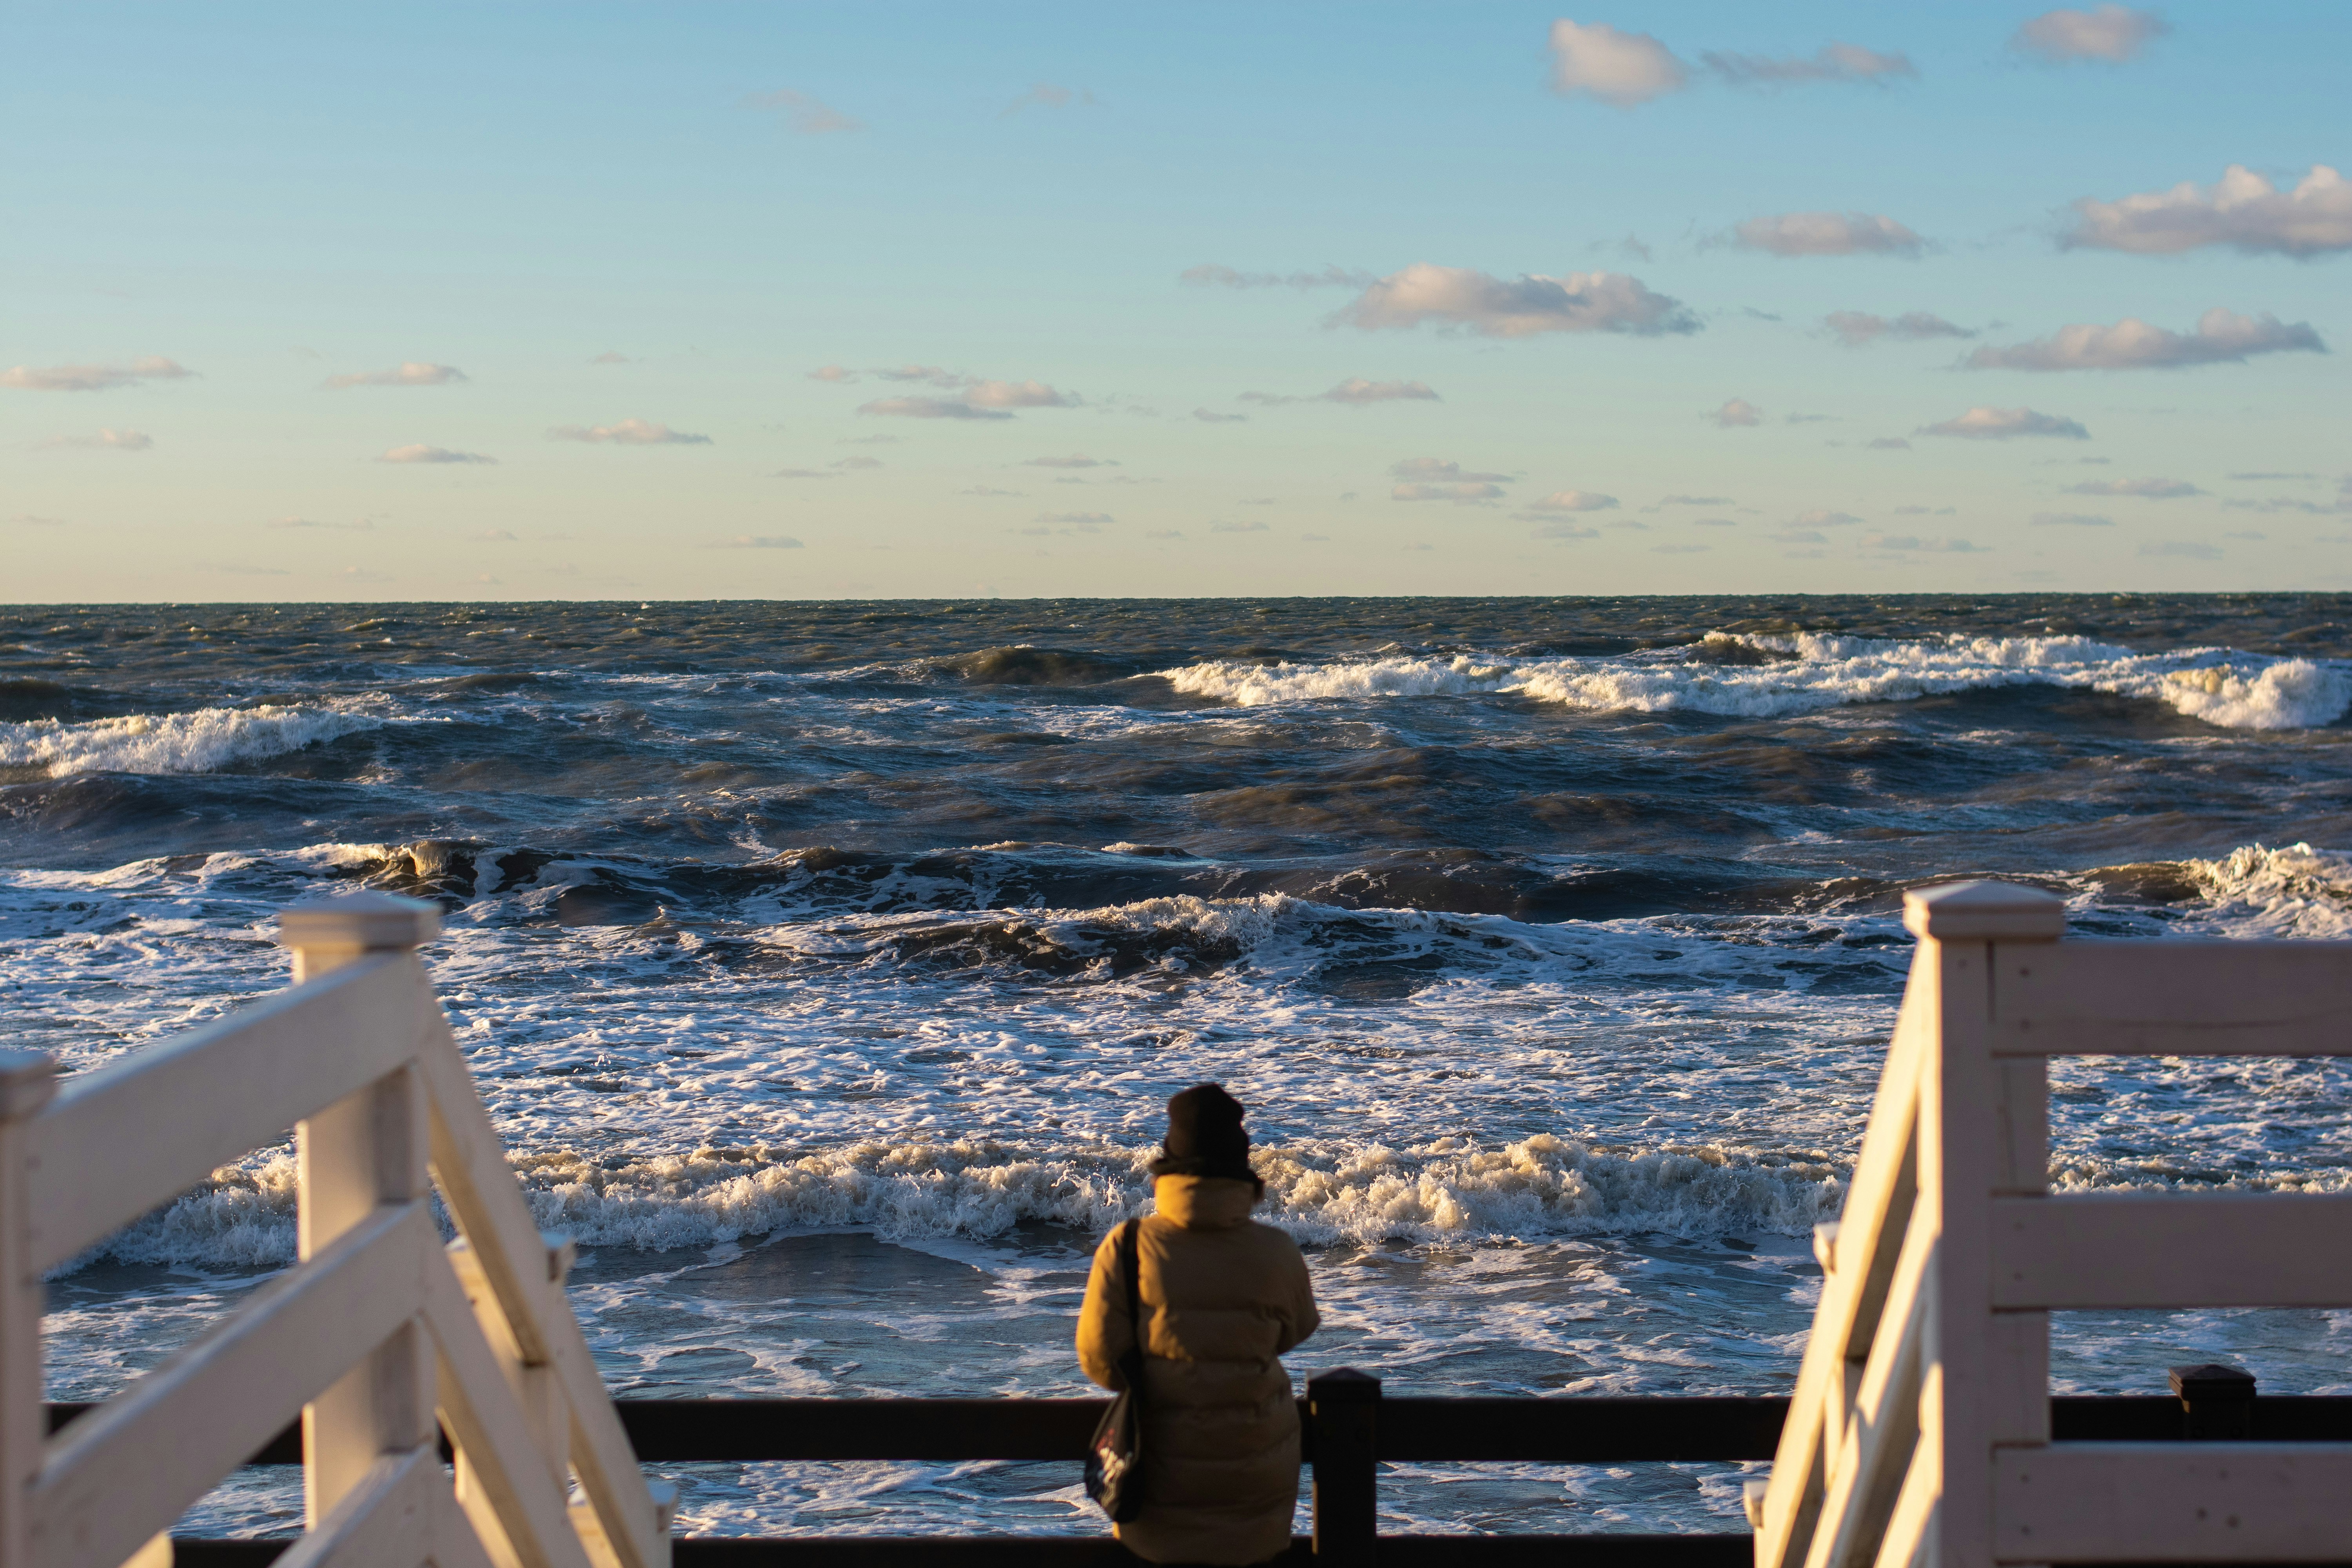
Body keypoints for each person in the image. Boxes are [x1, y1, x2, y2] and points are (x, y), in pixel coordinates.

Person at [1076, 1083, 1321, 1566]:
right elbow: (1296, 1332)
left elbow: (1102, 1364)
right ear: (1242, 1171)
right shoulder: (1278, 1252)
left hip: (1159, 1490)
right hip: (1257, 1496)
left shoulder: (1128, 1246)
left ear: (1167, 1166)